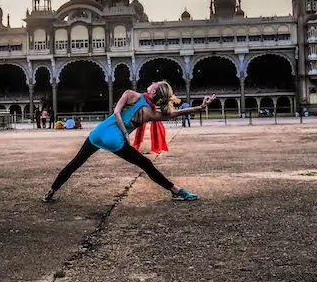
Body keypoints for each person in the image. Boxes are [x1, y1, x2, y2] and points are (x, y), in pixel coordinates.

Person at [42, 81, 216, 202]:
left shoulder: (130, 94)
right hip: (115, 139)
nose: (153, 83)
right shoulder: (151, 112)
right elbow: (175, 113)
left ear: (153, 91)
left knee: (75, 162)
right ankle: (176, 191)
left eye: (155, 84)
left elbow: (117, 112)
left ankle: (51, 191)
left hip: (98, 132)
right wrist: (201, 107)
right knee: (146, 164)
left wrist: (123, 132)